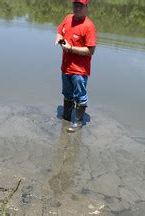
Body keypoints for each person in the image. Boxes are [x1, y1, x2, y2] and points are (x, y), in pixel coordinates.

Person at [55, 0, 96, 133]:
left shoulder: (89, 26)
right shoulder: (68, 18)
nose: (77, 8)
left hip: (79, 70)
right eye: (75, 5)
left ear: (86, 7)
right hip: (65, 67)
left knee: (80, 96)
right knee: (67, 93)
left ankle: (77, 122)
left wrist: (71, 48)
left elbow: (90, 51)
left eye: (80, 6)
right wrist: (59, 38)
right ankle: (66, 118)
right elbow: (59, 31)